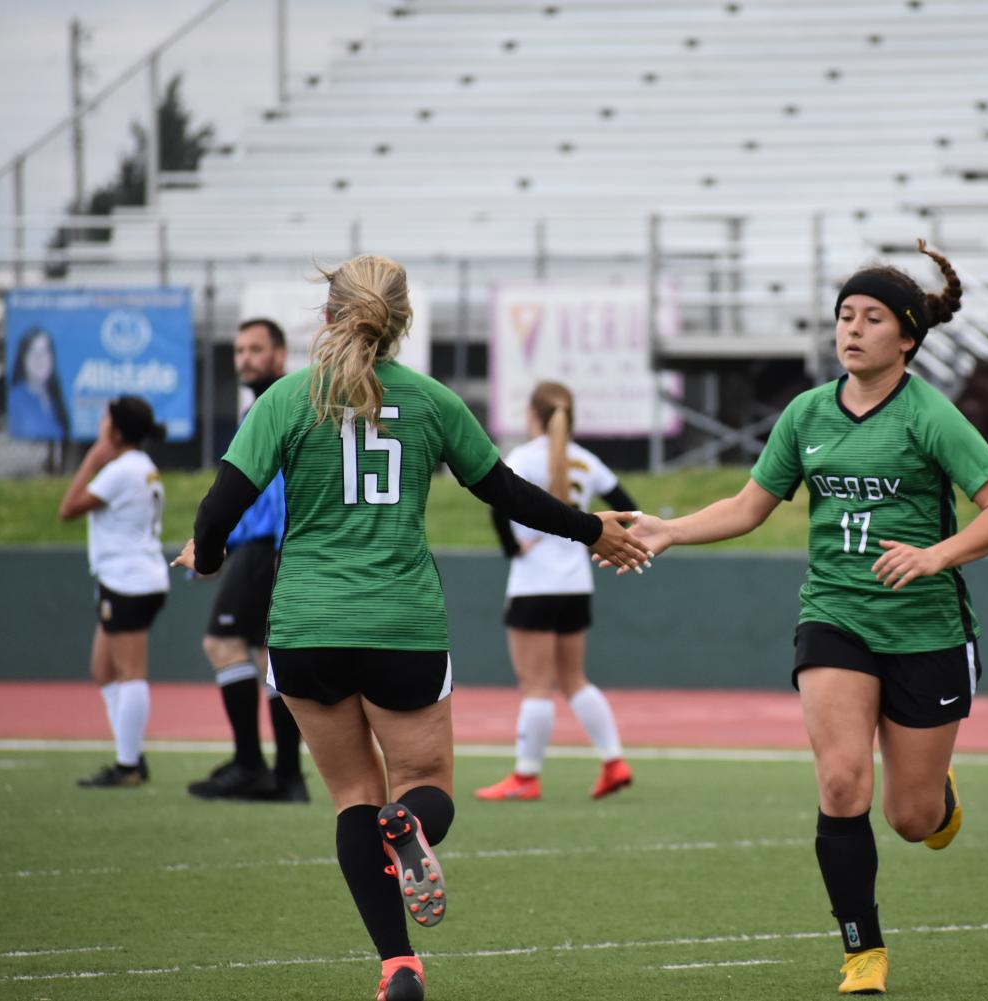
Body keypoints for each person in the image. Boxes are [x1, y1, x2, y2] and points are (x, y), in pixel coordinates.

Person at [170, 255, 648, 1001]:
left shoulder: (287, 399)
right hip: (401, 623)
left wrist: (207, 552)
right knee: (425, 789)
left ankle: (398, 964)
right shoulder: (430, 401)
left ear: (326, 316)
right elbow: (509, 492)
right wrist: (593, 530)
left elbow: (217, 509)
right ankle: (409, 823)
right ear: (401, 324)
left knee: (352, 798)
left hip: (306, 627)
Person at [624, 240, 988, 996]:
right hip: (834, 614)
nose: (852, 329)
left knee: (910, 818)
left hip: (925, 626)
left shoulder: (929, 414)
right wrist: (670, 529)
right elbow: (749, 506)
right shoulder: (807, 412)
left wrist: (936, 555)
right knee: (841, 783)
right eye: (845, 315)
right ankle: (861, 949)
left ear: (905, 337)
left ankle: (937, 795)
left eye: (873, 318)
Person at [475, 381, 637, 802]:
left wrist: (514, 548)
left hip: (534, 584)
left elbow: (498, 505)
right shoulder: (585, 460)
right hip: (576, 585)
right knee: (574, 679)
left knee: (535, 684)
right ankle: (613, 759)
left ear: (533, 415)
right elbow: (627, 505)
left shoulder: (524, 457)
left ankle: (526, 776)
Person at [187, 318, 307, 802]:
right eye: (239, 350)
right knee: (266, 658)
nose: (245, 359)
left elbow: (278, 497)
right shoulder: (269, 407)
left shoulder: (277, 406)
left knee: (222, 644)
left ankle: (251, 764)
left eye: (256, 349)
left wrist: (276, 551)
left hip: (269, 552)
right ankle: (287, 776)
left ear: (279, 356)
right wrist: (218, 548)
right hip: (258, 550)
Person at [58, 395, 169, 788]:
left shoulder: (121, 469)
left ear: (116, 431)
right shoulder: (143, 467)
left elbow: (68, 509)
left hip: (129, 581)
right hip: (130, 578)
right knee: (103, 670)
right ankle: (129, 752)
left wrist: (92, 458)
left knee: (129, 672)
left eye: (106, 421)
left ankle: (128, 765)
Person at [9, 327, 68, 440]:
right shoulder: (15, 400)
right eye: (33, 352)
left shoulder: (55, 401)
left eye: (45, 352)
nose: (40, 359)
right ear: (23, 358)